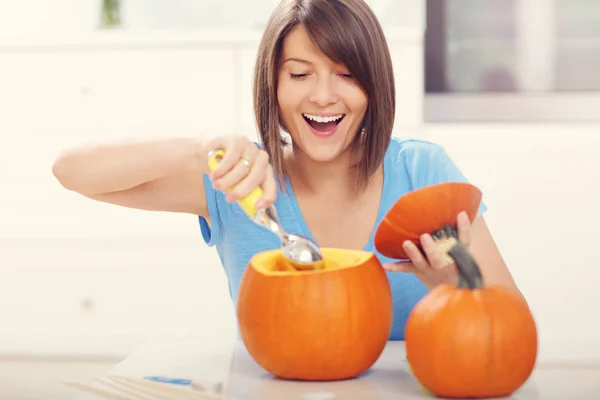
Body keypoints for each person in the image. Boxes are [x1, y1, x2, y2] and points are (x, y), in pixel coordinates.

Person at [52, 0, 522, 340]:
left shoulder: (423, 170)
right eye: (299, 74)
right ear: (272, 85)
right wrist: (200, 150)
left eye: (347, 74)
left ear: (374, 87)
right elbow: (71, 170)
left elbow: (514, 327)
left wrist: (455, 289)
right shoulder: (237, 183)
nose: (322, 95)